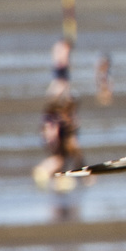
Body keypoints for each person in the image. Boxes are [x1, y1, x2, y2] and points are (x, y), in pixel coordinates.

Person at [33, 40, 84, 190]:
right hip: (55, 134)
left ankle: (58, 179)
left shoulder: (60, 89)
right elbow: (51, 121)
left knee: (63, 158)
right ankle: (44, 174)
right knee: (59, 158)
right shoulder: (58, 91)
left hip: (58, 133)